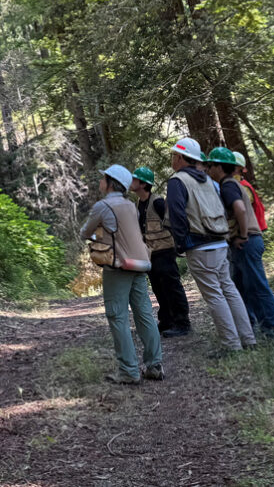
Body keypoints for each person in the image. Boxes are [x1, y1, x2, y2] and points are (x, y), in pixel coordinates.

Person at [165, 137, 257, 354]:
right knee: (230, 290)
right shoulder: (209, 180)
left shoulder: (177, 181)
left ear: (179, 157)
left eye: (173, 155)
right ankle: (248, 339)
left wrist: (179, 244)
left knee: (215, 295)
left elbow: (177, 215)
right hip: (220, 242)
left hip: (198, 245)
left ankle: (231, 345)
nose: (172, 159)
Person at [79, 164, 163, 384]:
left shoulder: (102, 206)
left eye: (103, 179)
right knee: (144, 313)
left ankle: (129, 370)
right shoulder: (130, 206)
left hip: (118, 266)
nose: (100, 182)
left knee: (117, 315)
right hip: (141, 263)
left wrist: (98, 237)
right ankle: (154, 365)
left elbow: (85, 233)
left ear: (110, 183)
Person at [204, 147, 274, 338]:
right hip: (245, 243)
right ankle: (251, 327)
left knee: (257, 286)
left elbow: (239, 209)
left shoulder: (228, 185)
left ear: (219, 167)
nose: (208, 170)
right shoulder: (232, 183)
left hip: (247, 242)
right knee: (242, 288)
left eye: (210, 166)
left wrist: (242, 234)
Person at [130, 166, 192, 337]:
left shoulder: (157, 202)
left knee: (172, 287)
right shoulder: (138, 204)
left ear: (143, 184)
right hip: (151, 255)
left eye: (135, 179)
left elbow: (172, 223)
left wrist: (178, 246)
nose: (131, 182)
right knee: (159, 289)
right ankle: (166, 321)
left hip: (165, 253)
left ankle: (182, 323)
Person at [232, 152, 267, 231]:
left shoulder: (243, 186)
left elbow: (243, 209)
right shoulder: (240, 183)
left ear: (240, 168)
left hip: (254, 228)